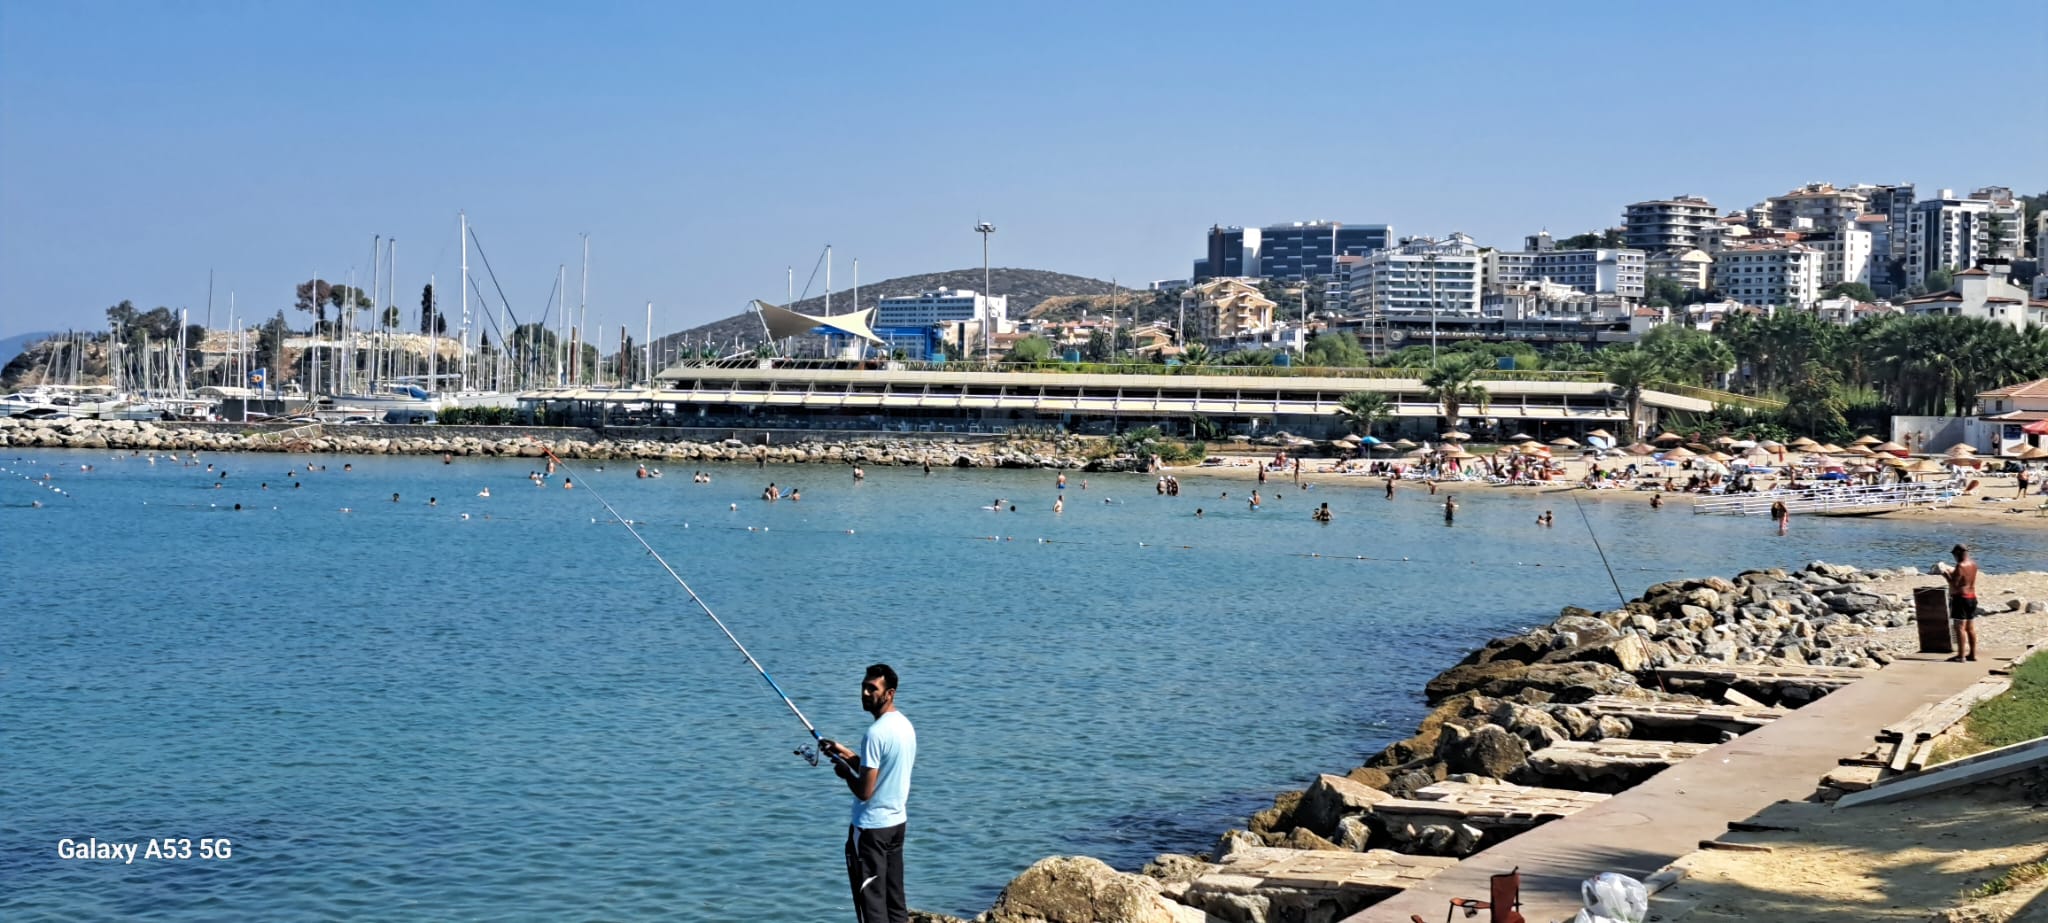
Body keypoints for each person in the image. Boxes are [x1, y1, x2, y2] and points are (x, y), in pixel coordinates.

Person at [821, 664, 916, 923]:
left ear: (890, 693)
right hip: (896, 825)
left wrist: (844, 774)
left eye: (872, 688)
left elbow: (865, 790)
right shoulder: (904, 725)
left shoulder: (875, 733)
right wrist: (842, 751)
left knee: (871, 905)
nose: (864, 693)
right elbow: (877, 769)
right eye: (863, 686)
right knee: (895, 902)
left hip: (871, 830)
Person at [1940, 544, 1981, 662]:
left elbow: (1955, 585)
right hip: (1972, 597)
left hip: (1961, 598)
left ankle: (1961, 655)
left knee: (1960, 627)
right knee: (1970, 627)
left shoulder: (1960, 566)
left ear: (1958, 554)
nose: (1954, 557)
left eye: (1954, 555)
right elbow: (1966, 580)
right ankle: (1972, 654)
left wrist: (1946, 575)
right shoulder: (1973, 564)